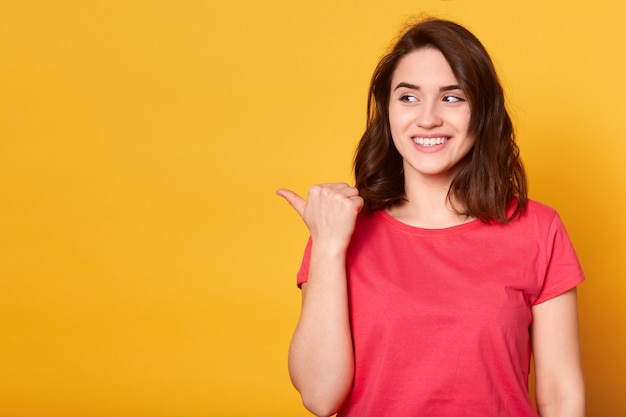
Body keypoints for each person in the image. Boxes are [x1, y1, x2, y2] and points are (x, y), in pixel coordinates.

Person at [277, 17, 585, 417]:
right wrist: (328, 246)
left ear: (483, 111)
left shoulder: (539, 229)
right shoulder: (341, 229)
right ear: (386, 111)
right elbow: (320, 397)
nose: (427, 118)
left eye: (452, 97)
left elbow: (561, 396)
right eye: (408, 97)